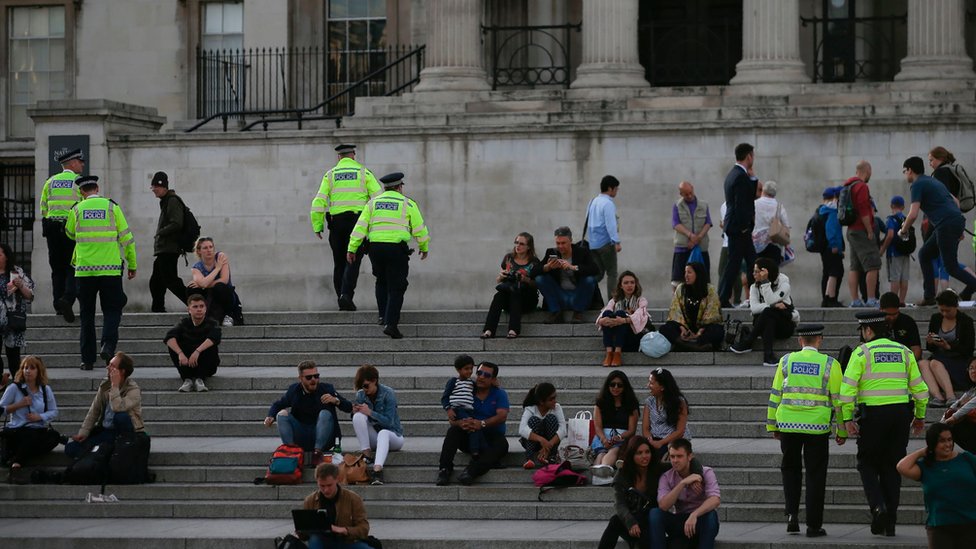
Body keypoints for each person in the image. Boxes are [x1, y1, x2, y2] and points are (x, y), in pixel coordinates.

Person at [840, 310, 929, 537]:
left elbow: (847, 390)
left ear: (868, 330)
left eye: (862, 330)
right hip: (900, 416)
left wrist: (848, 418)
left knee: (867, 463)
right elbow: (920, 389)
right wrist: (919, 416)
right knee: (892, 466)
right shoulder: (904, 351)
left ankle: (878, 507)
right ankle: (890, 523)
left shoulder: (862, 352)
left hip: (873, 416)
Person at [766, 324, 845, 538]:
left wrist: (772, 425)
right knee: (815, 474)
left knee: (790, 469)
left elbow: (775, 394)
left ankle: (792, 515)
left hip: (788, 424)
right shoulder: (830, 364)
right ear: (820, 340)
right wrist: (842, 429)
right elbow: (838, 401)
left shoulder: (786, 361)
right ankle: (813, 525)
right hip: (817, 427)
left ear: (800, 341)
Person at [65, 175, 136, 371]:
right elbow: (127, 239)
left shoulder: (76, 209)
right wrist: (132, 264)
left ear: (81, 192)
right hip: (110, 271)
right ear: (97, 188)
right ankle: (108, 346)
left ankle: (87, 360)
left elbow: (69, 233)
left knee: (86, 315)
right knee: (112, 310)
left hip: (84, 272)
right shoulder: (112, 207)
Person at [347, 172, 430, 339]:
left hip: (375, 249)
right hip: (396, 249)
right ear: (399, 187)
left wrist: (352, 248)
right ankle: (391, 325)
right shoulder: (408, 203)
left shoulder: (372, 203)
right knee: (397, 286)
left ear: (385, 188)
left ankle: (382, 316)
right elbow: (419, 229)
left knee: (381, 281)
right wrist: (424, 247)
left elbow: (360, 227)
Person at [309, 144, 381, 311]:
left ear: (339, 157)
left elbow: (318, 201)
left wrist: (317, 225)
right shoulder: (364, 173)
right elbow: (377, 199)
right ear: (353, 155)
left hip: (337, 224)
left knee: (339, 262)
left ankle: (341, 297)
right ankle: (346, 295)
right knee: (353, 261)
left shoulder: (330, 175)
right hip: (358, 223)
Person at [900, 156, 976, 305]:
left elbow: (913, 214)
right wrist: (958, 227)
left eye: (905, 171)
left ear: (910, 170)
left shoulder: (917, 184)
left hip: (945, 224)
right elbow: (955, 201)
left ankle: (969, 287)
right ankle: (929, 297)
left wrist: (903, 230)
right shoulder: (933, 181)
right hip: (953, 221)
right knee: (925, 254)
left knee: (951, 267)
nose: (905, 174)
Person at [896, 423, 976, 549]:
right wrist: (922, 452)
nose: (947, 444)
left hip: (970, 525)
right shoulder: (926, 466)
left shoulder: (966, 459)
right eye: (942, 441)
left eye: (949, 439)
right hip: (940, 528)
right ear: (932, 443)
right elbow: (902, 467)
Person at [265, 360, 352, 466]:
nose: (313, 380)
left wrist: (336, 400)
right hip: (302, 435)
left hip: (324, 438)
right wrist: (270, 416)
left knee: (325, 414)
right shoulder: (294, 390)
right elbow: (278, 404)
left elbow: (349, 407)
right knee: (282, 414)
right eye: (309, 377)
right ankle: (291, 453)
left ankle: (317, 455)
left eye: (316, 376)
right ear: (300, 378)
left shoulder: (326, 389)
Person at [436, 361, 509, 486]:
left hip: (490, 437)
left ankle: (470, 472)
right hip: (470, 435)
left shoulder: (499, 393)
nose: (481, 377)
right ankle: (444, 469)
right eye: (479, 373)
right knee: (453, 431)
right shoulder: (467, 390)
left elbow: (502, 416)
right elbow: (452, 418)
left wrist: (482, 423)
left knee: (502, 444)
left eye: (487, 375)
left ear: (493, 379)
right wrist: (460, 423)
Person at [65, 352, 144, 459]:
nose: (107, 367)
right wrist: (84, 433)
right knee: (71, 448)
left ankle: (103, 454)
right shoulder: (105, 385)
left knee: (120, 416)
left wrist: (115, 386)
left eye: (112, 366)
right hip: (106, 431)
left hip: (122, 433)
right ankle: (98, 455)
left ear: (122, 371)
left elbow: (117, 407)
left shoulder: (133, 390)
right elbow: (94, 410)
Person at [649, 439, 721, 549]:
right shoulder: (666, 477)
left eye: (679, 456)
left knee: (711, 516)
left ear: (689, 456)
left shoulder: (706, 472)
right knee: (655, 513)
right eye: (672, 456)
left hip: (701, 520)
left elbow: (715, 499)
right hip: (680, 521)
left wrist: (694, 514)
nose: (675, 460)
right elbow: (663, 505)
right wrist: (682, 483)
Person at [730, 257, 799, 367]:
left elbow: (770, 300)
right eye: (754, 271)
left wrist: (765, 282)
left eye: (757, 271)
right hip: (766, 325)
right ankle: (768, 356)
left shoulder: (784, 284)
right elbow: (754, 308)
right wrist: (773, 306)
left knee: (768, 312)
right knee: (768, 315)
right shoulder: (754, 287)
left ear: (766, 272)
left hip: (784, 327)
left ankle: (749, 341)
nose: (754, 274)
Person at [0, 356, 59, 478]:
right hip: (18, 430)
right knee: (30, 435)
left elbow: (53, 411)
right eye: (25, 368)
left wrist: (39, 416)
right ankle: (16, 464)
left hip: (38, 429)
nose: (28, 371)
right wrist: (18, 405)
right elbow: (1, 410)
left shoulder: (45, 389)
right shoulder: (14, 388)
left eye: (32, 368)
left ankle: (16, 457)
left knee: (54, 437)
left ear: (39, 371)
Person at [40, 148, 81, 323]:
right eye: (80, 162)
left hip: (52, 230)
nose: (82, 165)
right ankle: (67, 299)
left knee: (57, 269)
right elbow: (82, 207)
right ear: (72, 163)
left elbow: (43, 208)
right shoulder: (78, 182)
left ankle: (58, 305)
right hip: (70, 230)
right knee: (72, 266)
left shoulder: (49, 182)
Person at [718, 143, 760, 308]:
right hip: (739, 227)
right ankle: (723, 298)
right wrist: (744, 226)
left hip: (736, 226)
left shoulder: (734, 174)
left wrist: (753, 178)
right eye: (752, 156)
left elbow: (747, 195)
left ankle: (753, 296)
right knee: (736, 264)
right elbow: (742, 203)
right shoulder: (740, 177)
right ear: (748, 156)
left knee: (750, 262)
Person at [597, 436, 657, 549]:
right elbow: (619, 504)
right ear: (631, 455)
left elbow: (683, 462)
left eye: (647, 452)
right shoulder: (623, 474)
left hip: (651, 521)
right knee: (615, 520)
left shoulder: (657, 469)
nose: (644, 456)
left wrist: (693, 476)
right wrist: (631, 522)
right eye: (639, 453)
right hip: (631, 519)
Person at [918, 290, 974, 407]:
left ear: (955, 307)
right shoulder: (936, 318)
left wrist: (948, 346)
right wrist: (932, 342)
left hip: (958, 360)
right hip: (939, 357)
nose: (944, 313)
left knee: (934, 363)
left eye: (948, 311)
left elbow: (968, 349)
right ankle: (937, 396)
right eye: (941, 310)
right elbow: (930, 348)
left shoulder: (965, 321)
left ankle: (950, 396)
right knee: (923, 363)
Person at [481, 232, 541, 339]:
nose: (518, 246)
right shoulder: (508, 258)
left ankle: (513, 329)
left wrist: (525, 279)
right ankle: (489, 330)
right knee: (499, 296)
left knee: (515, 293)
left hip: (527, 300)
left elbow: (538, 284)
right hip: (509, 298)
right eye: (516, 242)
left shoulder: (534, 262)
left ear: (528, 247)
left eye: (521, 244)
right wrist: (501, 276)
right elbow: (498, 280)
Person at [351, 365, 403, 486]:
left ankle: (377, 470)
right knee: (358, 416)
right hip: (375, 436)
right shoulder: (361, 394)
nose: (364, 389)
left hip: (393, 436)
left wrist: (370, 412)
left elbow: (389, 422)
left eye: (366, 385)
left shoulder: (388, 393)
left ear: (374, 381)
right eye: (361, 386)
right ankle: (367, 454)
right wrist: (354, 412)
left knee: (383, 433)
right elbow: (359, 420)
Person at [535, 226, 599, 324]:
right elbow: (533, 272)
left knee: (589, 279)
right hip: (560, 296)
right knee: (540, 278)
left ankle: (578, 313)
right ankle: (556, 312)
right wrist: (547, 267)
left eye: (563, 243)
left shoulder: (582, 251)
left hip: (578, 295)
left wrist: (573, 267)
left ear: (570, 241)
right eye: (558, 243)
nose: (560, 246)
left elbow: (595, 269)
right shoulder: (551, 252)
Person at [300, 463, 371, 549]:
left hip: (346, 541)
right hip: (321, 542)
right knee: (315, 539)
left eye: (329, 485)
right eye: (322, 486)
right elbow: (304, 536)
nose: (326, 490)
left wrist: (345, 530)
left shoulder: (353, 498)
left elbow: (364, 528)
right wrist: (301, 531)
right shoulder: (310, 500)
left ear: (337, 479)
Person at [660, 262, 724, 351]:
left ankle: (685, 344)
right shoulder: (681, 289)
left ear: (698, 274)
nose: (686, 275)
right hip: (685, 329)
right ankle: (694, 346)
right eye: (685, 272)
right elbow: (675, 312)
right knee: (665, 328)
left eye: (689, 272)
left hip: (703, 330)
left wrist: (699, 332)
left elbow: (712, 314)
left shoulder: (710, 289)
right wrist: (682, 328)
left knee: (717, 331)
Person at [148, 171, 188, 313]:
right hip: (165, 249)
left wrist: (161, 232)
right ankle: (158, 309)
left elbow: (177, 223)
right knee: (156, 281)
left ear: (163, 186)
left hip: (169, 249)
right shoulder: (166, 201)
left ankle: (197, 303)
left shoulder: (172, 201)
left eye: (155, 187)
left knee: (171, 281)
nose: (153, 190)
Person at [164, 293, 221, 393]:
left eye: (201, 306)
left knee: (210, 345)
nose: (199, 309)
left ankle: (200, 380)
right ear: (189, 310)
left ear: (205, 309)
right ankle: (187, 380)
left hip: (207, 366)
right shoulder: (184, 323)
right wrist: (180, 353)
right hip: (187, 364)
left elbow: (214, 337)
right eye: (195, 307)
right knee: (174, 344)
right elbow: (169, 338)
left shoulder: (212, 323)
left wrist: (197, 351)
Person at [843, 160, 881, 307]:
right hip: (861, 230)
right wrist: (869, 230)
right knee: (873, 264)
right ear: (867, 171)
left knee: (855, 266)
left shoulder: (848, 185)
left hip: (851, 231)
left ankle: (855, 300)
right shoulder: (862, 186)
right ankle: (871, 299)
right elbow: (863, 210)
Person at [596, 271, 649, 367]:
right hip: (616, 335)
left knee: (621, 313)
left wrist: (623, 320)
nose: (629, 285)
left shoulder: (641, 300)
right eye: (626, 283)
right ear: (621, 285)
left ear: (636, 284)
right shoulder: (614, 300)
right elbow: (605, 311)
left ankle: (617, 353)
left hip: (632, 336)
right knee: (607, 314)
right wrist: (601, 320)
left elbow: (640, 315)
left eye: (632, 282)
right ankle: (609, 353)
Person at [188, 237, 243, 327]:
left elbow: (224, 280)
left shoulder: (220, 257)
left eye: (211, 247)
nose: (209, 250)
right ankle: (196, 317)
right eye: (205, 248)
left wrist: (203, 284)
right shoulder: (196, 267)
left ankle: (228, 315)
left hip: (224, 293)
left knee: (220, 286)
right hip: (208, 294)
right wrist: (217, 268)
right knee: (191, 288)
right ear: (199, 251)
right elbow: (203, 284)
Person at [642, 367, 692, 465]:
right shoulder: (649, 402)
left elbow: (680, 431)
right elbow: (645, 428)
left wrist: (661, 443)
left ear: (662, 387)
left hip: (673, 440)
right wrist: (650, 440)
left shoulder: (679, 402)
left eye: (651, 383)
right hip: (654, 438)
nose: (648, 386)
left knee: (659, 455)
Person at [591, 370, 640, 468]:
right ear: (608, 386)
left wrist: (619, 437)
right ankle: (600, 471)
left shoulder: (631, 404)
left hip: (622, 437)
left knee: (615, 450)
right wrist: (604, 439)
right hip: (603, 436)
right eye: (612, 385)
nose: (616, 388)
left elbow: (632, 430)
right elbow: (598, 427)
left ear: (625, 387)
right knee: (601, 453)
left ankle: (603, 469)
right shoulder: (600, 403)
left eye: (619, 385)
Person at [0, 243, 34, 377]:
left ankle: (18, 382)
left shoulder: (16, 272)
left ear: (6, 256)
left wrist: (21, 286)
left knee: (13, 356)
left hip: (13, 320)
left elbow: (30, 295)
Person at [671, 181, 712, 288]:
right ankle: (678, 298)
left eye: (690, 193)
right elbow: (676, 224)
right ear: (681, 194)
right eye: (686, 194)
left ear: (693, 189)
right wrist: (690, 235)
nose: (689, 196)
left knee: (703, 279)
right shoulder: (677, 206)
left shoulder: (703, 205)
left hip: (701, 248)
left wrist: (698, 237)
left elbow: (708, 223)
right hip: (682, 248)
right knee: (677, 281)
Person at [587, 175, 622, 297]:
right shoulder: (608, 203)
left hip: (593, 244)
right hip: (606, 244)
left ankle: (584, 288)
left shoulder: (592, 201)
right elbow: (611, 224)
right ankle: (612, 302)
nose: (616, 191)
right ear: (610, 188)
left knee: (598, 273)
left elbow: (588, 221)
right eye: (616, 189)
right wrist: (616, 241)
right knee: (612, 274)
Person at [517, 382, 566, 469]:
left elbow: (563, 430)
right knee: (534, 420)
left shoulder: (557, 407)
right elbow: (522, 429)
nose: (555, 401)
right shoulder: (531, 409)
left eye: (555, 397)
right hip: (533, 443)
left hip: (550, 442)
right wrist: (541, 440)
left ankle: (551, 456)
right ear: (541, 402)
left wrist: (548, 444)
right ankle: (529, 458)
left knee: (551, 419)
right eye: (551, 399)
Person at [441, 355, 482, 456]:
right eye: (466, 369)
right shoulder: (454, 381)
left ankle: (475, 449)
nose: (469, 371)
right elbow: (445, 397)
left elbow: (476, 393)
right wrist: (449, 409)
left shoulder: (471, 383)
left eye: (471, 369)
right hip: (458, 409)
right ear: (458, 370)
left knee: (475, 426)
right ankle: (474, 450)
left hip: (469, 410)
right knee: (471, 424)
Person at [879, 196, 912, 306]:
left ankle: (893, 302)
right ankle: (901, 301)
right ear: (903, 207)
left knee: (895, 278)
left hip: (894, 252)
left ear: (891, 206)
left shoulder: (891, 219)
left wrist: (882, 249)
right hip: (906, 252)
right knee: (904, 278)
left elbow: (890, 235)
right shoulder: (906, 219)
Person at [817, 186, 845, 307]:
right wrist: (834, 245)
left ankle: (827, 298)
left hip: (825, 248)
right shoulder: (833, 212)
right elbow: (831, 229)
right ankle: (831, 298)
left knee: (829, 272)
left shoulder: (824, 210)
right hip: (831, 247)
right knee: (835, 272)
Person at [940, 361, 976, 453]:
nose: (973, 371)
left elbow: (971, 404)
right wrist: (942, 422)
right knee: (950, 418)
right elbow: (954, 406)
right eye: (971, 368)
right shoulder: (971, 390)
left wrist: (953, 418)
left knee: (954, 421)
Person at [752, 180, 790, 263]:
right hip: (774, 243)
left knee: (757, 268)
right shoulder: (779, 207)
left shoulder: (754, 204)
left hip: (756, 244)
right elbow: (786, 225)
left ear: (763, 190)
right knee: (772, 269)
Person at [879, 292, 922, 361]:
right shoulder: (874, 323)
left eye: (895, 314)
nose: (892, 318)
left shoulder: (908, 321)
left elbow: (916, 349)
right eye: (888, 314)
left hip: (905, 360)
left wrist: (909, 363)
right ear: (880, 309)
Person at [717, 201, 744, 306]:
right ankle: (723, 298)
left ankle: (736, 300)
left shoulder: (738, 204)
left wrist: (726, 225)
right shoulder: (724, 205)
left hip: (735, 242)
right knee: (724, 271)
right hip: (727, 242)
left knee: (734, 272)